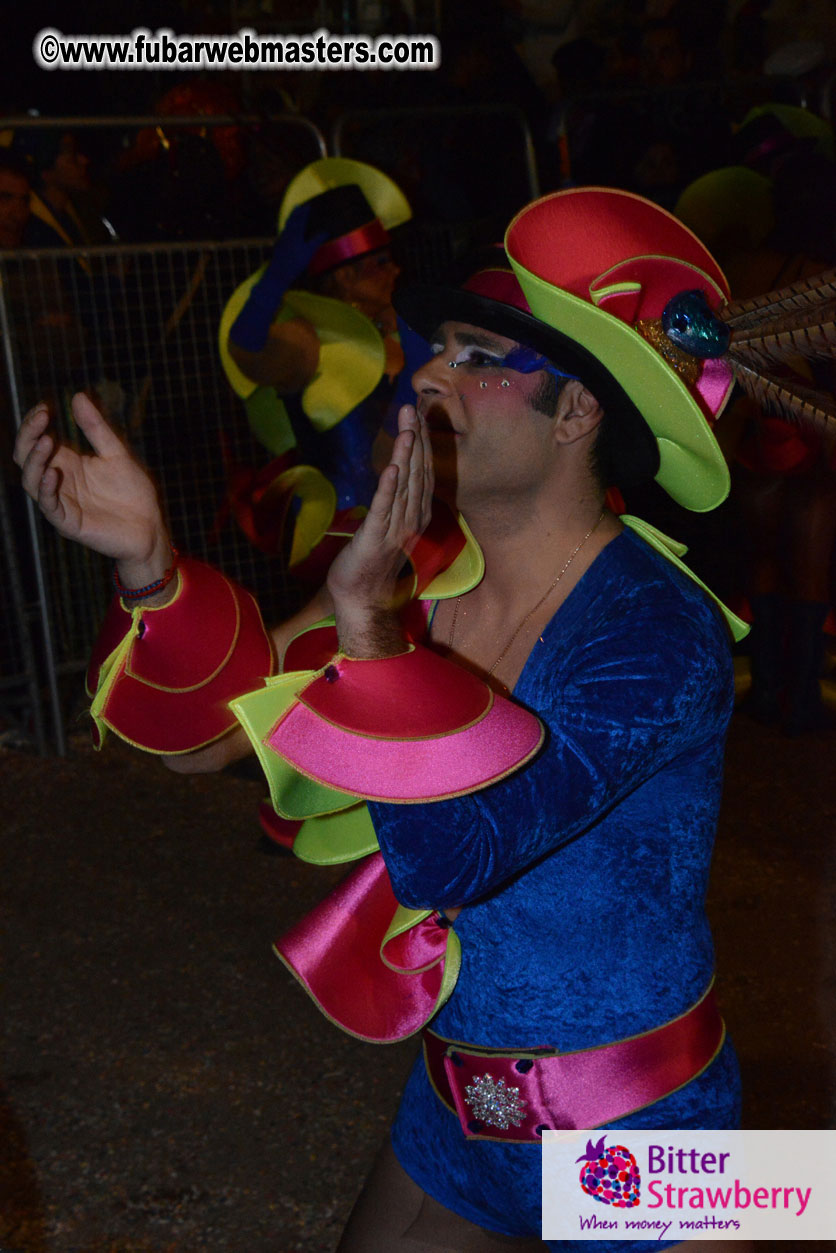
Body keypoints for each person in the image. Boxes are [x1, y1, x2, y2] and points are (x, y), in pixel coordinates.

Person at [17, 188, 763, 1252]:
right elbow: (214, 738)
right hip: (456, 1115)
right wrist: (149, 567)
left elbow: (456, 852)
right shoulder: (417, 570)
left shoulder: (659, 629)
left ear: (578, 411)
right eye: (437, 348)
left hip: (642, 1126)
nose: (424, 374)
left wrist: (373, 636)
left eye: (473, 358)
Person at [218, 157, 419, 576]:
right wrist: (276, 278)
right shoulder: (310, 343)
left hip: (413, 528)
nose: (395, 269)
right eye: (381, 262)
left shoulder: (405, 330)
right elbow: (247, 346)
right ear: (346, 276)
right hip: (342, 538)